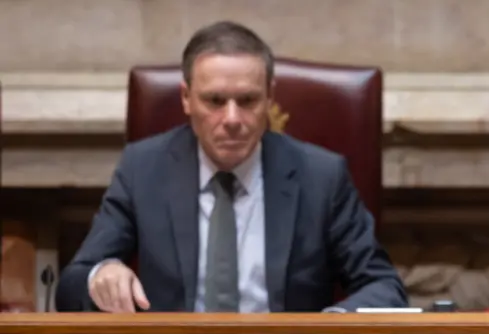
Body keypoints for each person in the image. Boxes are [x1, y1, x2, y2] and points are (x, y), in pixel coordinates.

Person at [56, 20, 407, 314]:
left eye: (248, 100)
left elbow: (383, 286)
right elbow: (72, 285)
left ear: (270, 97)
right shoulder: (143, 168)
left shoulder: (321, 176)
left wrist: (327, 327)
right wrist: (101, 274)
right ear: (186, 98)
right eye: (215, 101)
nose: (232, 119)